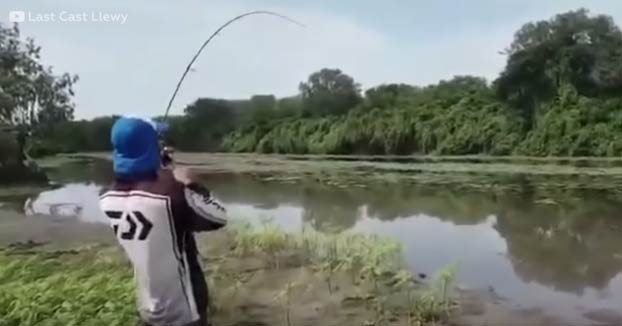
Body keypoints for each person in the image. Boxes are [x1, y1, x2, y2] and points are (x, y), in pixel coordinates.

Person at [99, 116, 227, 326]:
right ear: (150, 147)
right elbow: (218, 217)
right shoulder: (174, 194)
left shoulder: (106, 198)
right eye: (156, 141)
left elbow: (142, 192)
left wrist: (162, 170)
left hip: (148, 307)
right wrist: (192, 184)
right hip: (185, 312)